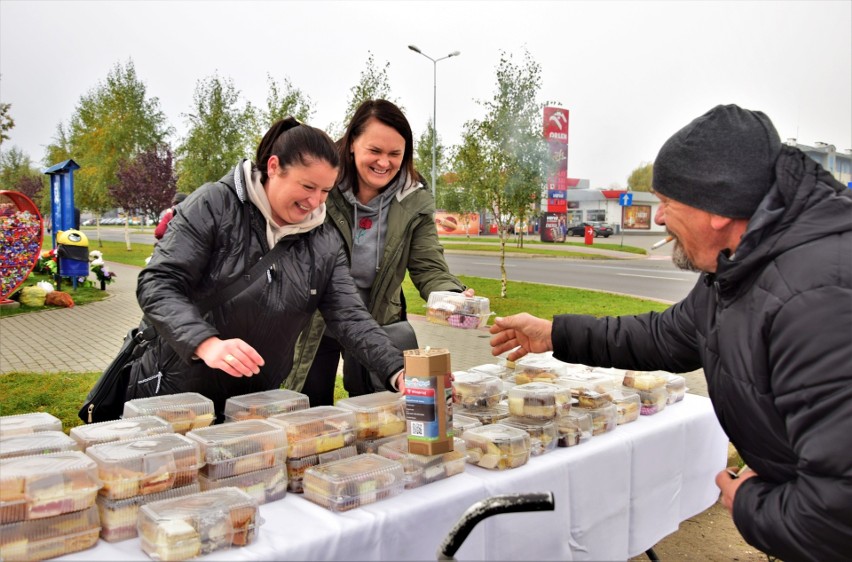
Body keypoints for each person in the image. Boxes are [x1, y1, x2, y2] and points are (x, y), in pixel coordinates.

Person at [489, 104, 852, 561]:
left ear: (718, 210)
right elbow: (663, 335)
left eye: (667, 203)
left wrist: (750, 504)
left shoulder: (818, 297)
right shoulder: (741, 266)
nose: (659, 219)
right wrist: (553, 333)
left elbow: (836, 513)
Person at [130, 117, 406, 420]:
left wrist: (398, 370)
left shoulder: (324, 241)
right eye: (307, 186)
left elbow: (350, 317)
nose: (315, 202)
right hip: (177, 394)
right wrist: (204, 343)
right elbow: (158, 283)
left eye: (325, 191)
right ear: (274, 167)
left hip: (256, 405)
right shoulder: (214, 204)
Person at [289, 99, 473, 405]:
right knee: (310, 413)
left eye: (394, 154)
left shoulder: (414, 200)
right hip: (314, 321)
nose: (384, 162)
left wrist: (451, 296)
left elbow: (429, 267)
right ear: (352, 145)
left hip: (377, 323)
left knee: (379, 412)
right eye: (374, 151)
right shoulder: (322, 188)